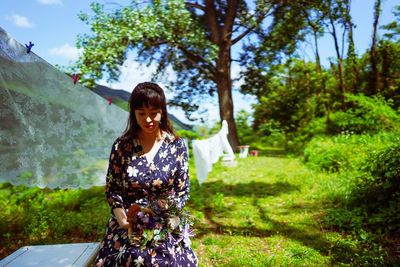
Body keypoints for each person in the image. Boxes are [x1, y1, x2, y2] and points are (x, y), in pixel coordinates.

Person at [95, 82, 198, 267]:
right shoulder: (121, 147)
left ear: (162, 111)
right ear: (133, 113)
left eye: (153, 113)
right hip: (128, 220)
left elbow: (182, 190)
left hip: (165, 218)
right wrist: (123, 220)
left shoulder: (177, 145)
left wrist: (167, 212)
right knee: (133, 258)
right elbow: (113, 190)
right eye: (141, 113)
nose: (148, 119)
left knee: (168, 260)